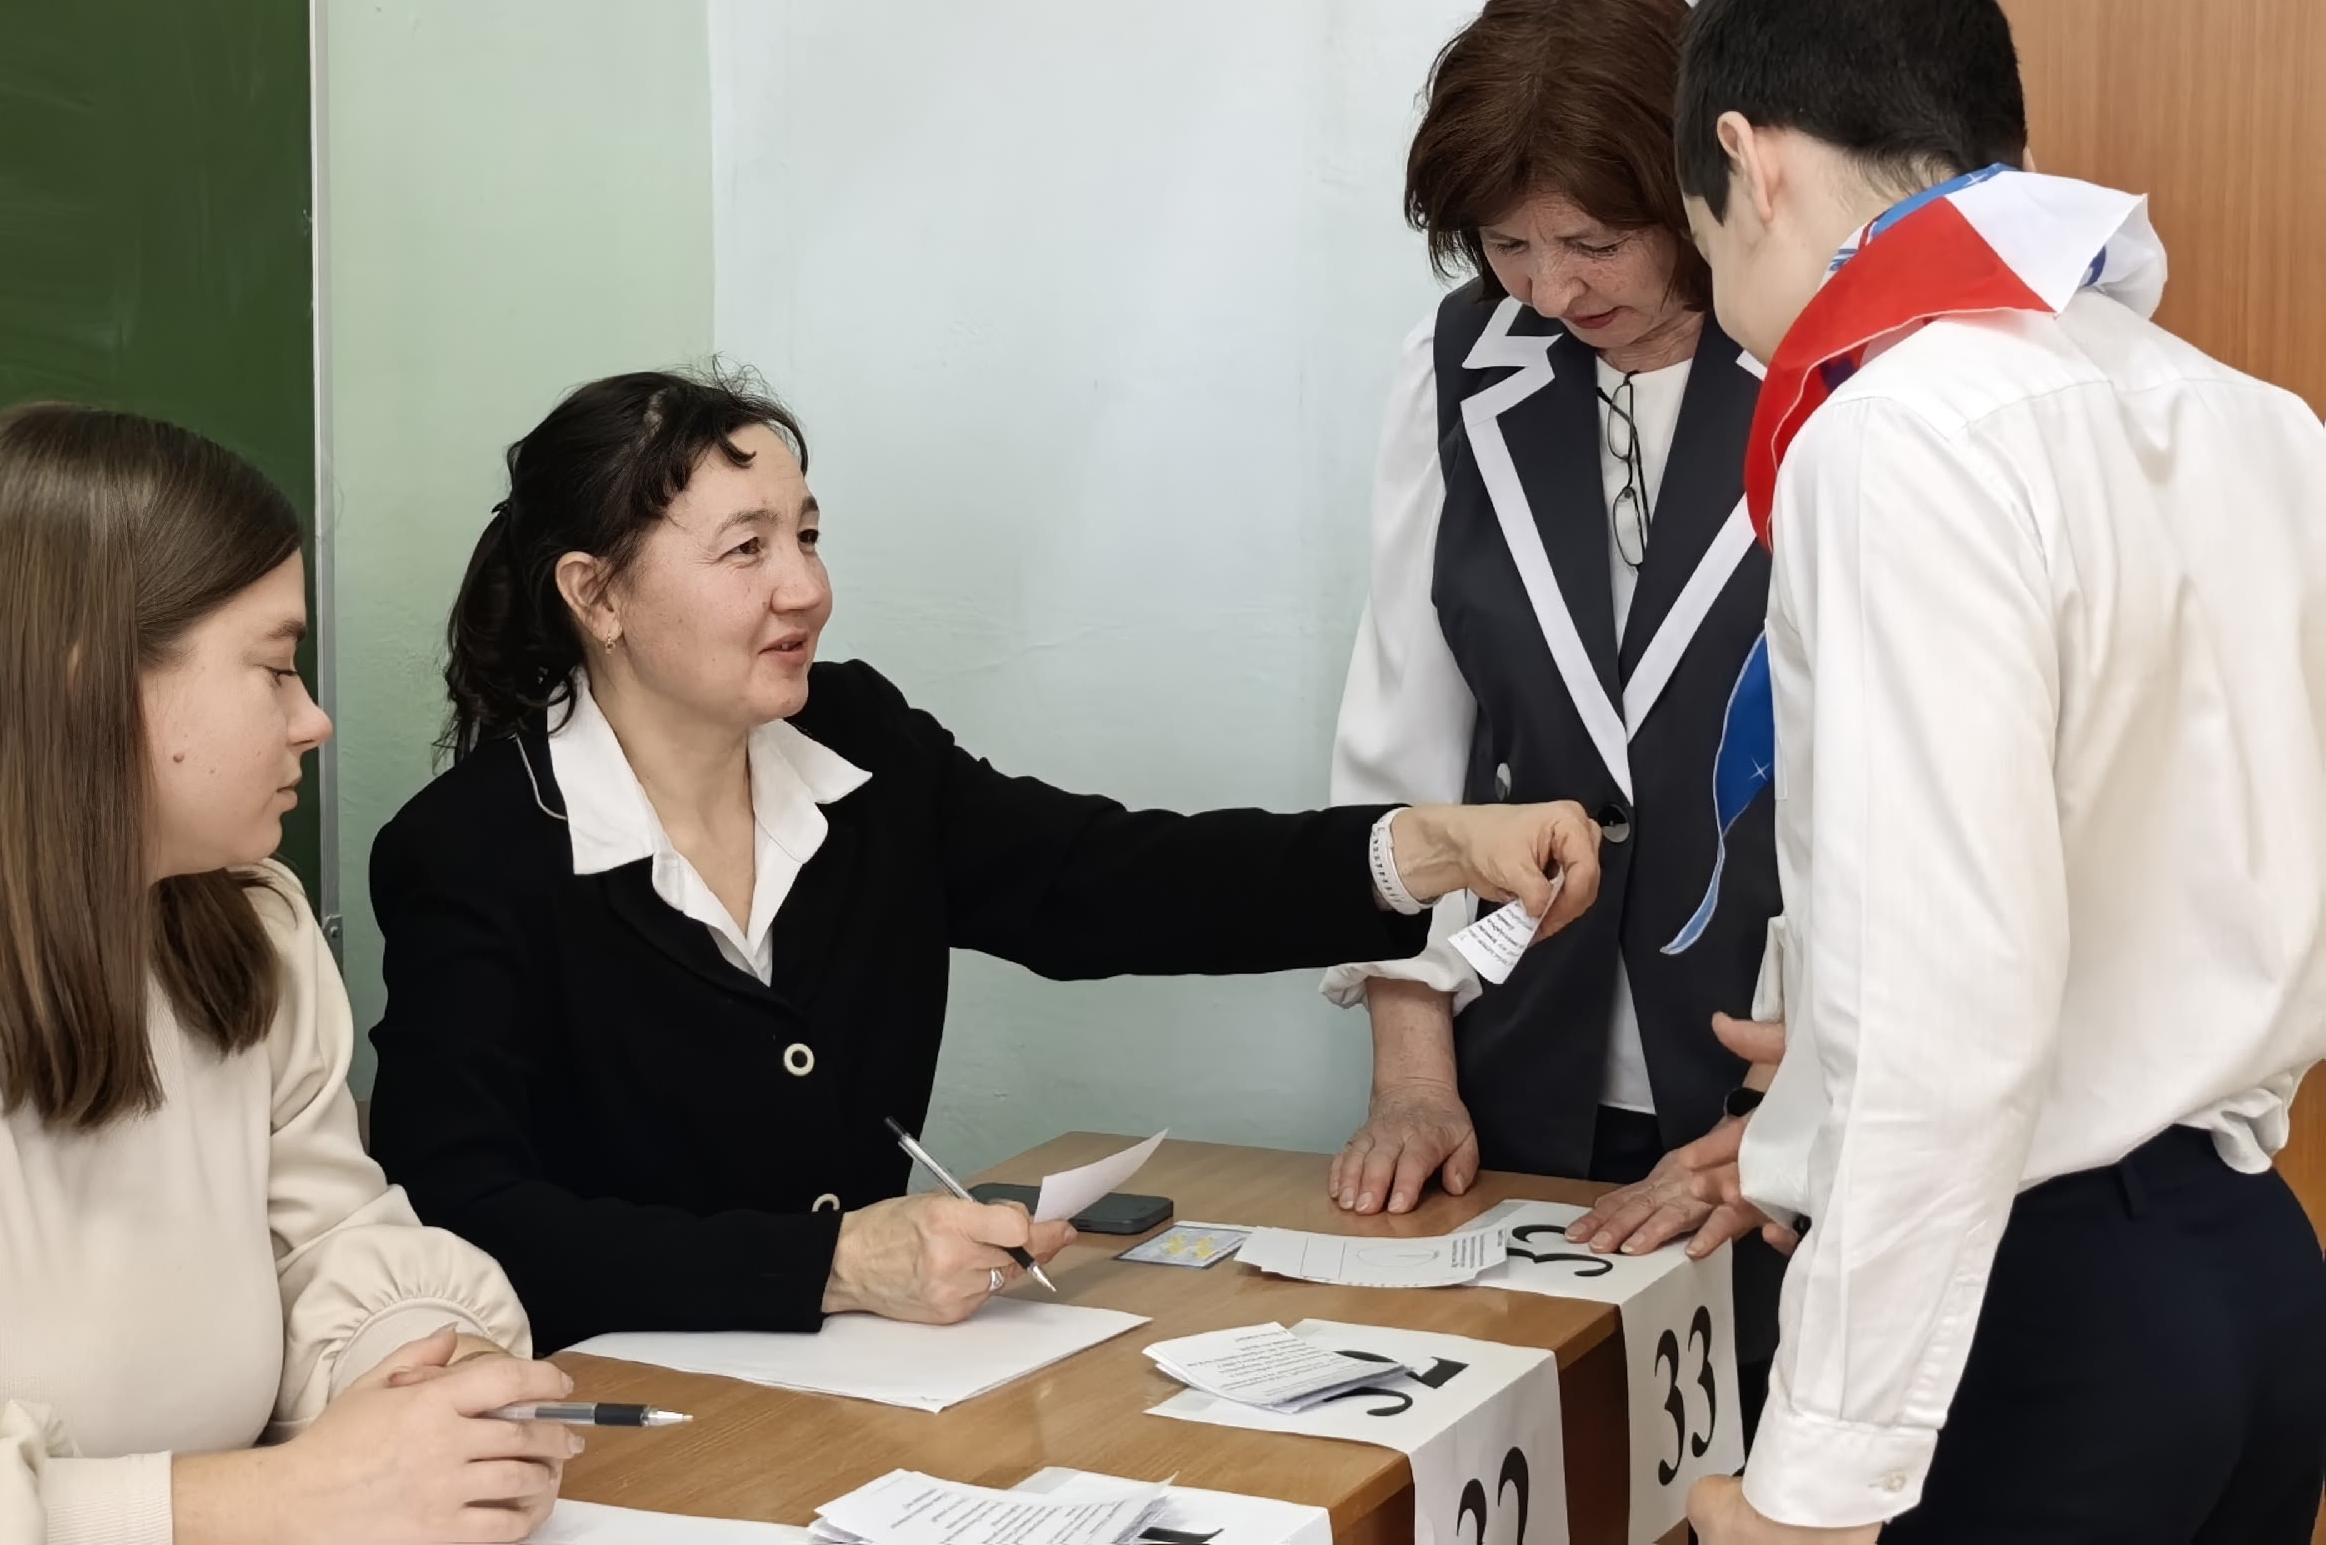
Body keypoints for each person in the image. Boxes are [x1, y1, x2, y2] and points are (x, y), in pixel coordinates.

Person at [366, 370, 1604, 1353]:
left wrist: (1433, 847)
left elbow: (1106, 880)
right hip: (615, 1416)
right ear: (596, 596)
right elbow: (461, 1215)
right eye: (746, 550)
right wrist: (835, 1265)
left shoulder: (856, 742)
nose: (806, 588)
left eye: (807, 534)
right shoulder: (471, 851)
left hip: (865, 1389)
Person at [1669, 0, 2326, 1543]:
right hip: (2254, 1281)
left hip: (2030, 1333)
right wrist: (1831, 1078)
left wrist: (1815, 1481)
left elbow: (1947, 1012)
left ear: (1751, 163)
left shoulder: (1899, 433)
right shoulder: (2257, 421)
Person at [0, 405, 577, 1545]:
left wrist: (432, 1377)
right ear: (88, 682)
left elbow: (332, 1246)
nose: (313, 719)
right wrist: (286, 1497)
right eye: (275, 668)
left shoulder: (251, 929)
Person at [1319, 0, 1790, 1424]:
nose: (1553, 289)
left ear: (1698, 186)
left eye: (1594, 240)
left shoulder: (1827, 372)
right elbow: (1406, 744)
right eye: (1507, 246)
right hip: (1524, 1060)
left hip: (1767, 1080)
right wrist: (1412, 1071)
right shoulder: (1461, 368)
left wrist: (1810, 1099)